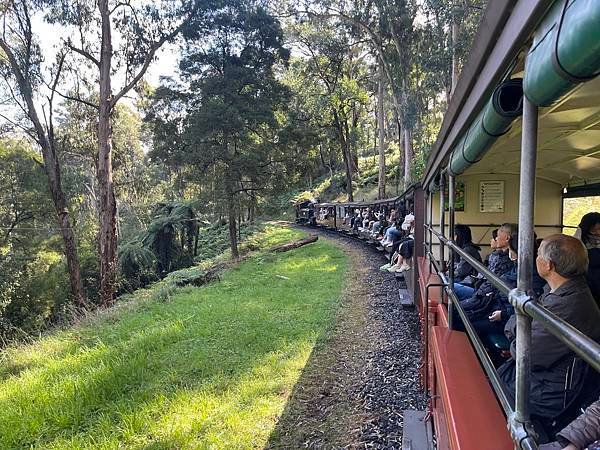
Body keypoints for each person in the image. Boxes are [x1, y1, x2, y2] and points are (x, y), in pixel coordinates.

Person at [499, 234, 600, 419]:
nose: (535, 258)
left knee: (487, 389)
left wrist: (516, 328)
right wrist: (518, 328)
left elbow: (523, 352)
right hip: (543, 380)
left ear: (548, 265)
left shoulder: (568, 306)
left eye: (538, 254)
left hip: (548, 394)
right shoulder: (560, 292)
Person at [575, 212, 600, 304]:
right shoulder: (578, 242)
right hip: (586, 283)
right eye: (594, 230)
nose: (598, 233)